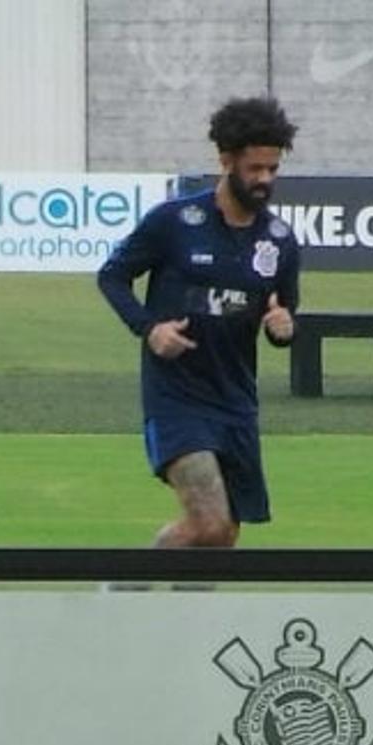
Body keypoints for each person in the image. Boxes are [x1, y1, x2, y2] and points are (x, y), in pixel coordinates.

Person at [97, 95, 300, 548]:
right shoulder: (174, 222)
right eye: (255, 169)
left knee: (223, 536)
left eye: (272, 169)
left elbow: (282, 315)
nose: (265, 179)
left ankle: (186, 617)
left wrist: (284, 328)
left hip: (236, 401)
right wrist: (150, 329)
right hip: (177, 398)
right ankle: (119, 592)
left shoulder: (280, 240)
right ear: (226, 160)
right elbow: (112, 276)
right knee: (208, 521)